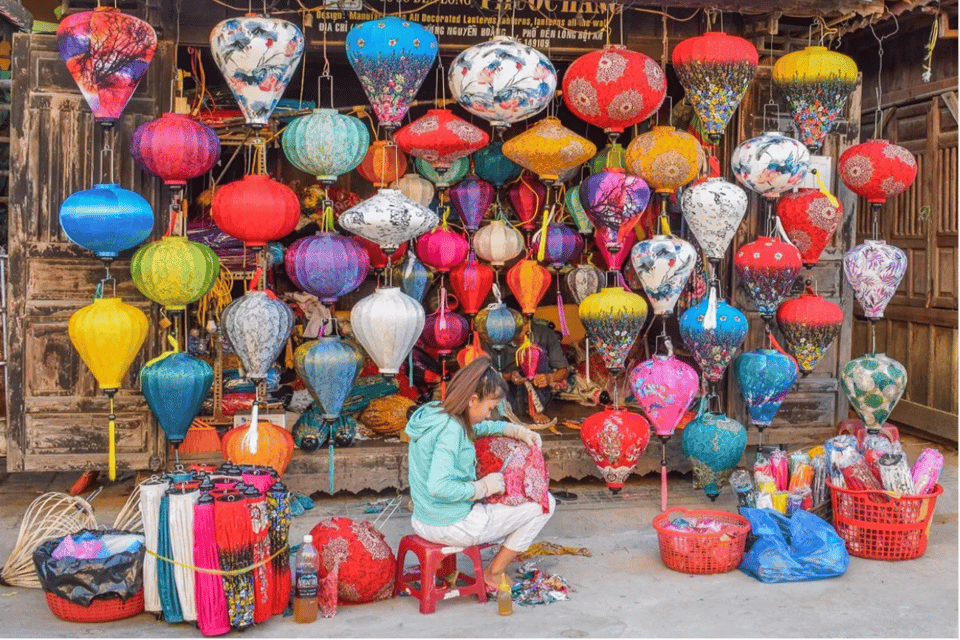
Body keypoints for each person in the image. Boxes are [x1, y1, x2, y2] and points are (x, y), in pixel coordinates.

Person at [405, 356, 557, 591]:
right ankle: (494, 572)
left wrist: (512, 429)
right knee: (545, 503)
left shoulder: (437, 413)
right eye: (490, 408)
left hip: (423, 518)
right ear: (473, 400)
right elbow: (440, 486)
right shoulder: (451, 431)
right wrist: (483, 487)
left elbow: (475, 428)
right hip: (451, 525)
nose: (489, 415)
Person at [488, 319, 571, 425]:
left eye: (526, 324)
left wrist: (549, 378)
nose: (523, 329)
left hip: (538, 394)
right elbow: (486, 374)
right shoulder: (495, 336)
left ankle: (535, 410)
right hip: (507, 393)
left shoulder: (544, 333)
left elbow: (564, 371)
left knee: (537, 351)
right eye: (516, 324)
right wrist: (509, 376)